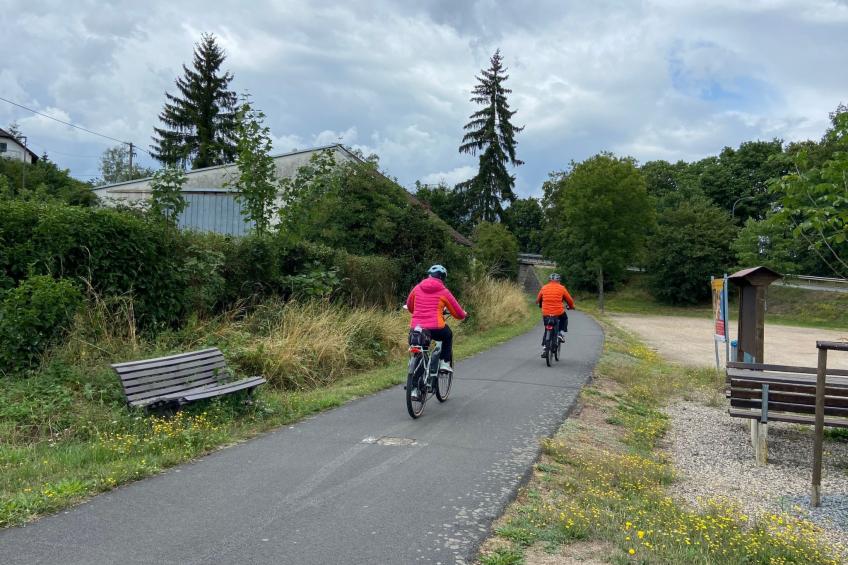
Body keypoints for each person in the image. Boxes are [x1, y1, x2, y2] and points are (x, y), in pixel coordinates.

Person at [405, 264, 467, 377]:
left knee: (421, 350)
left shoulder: (417, 288)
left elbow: (409, 306)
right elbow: (457, 313)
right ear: (442, 278)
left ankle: (414, 389)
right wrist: (463, 315)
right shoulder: (444, 291)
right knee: (448, 335)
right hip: (436, 328)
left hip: (416, 327)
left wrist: (417, 311)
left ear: (429, 275)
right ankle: (444, 363)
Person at [536, 273, 575, 357]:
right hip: (558, 312)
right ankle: (560, 333)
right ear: (559, 281)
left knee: (547, 328)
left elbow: (538, 299)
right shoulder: (562, 288)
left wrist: (540, 304)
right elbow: (569, 300)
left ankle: (545, 347)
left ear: (549, 280)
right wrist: (571, 306)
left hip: (546, 313)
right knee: (564, 318)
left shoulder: (544, 287)